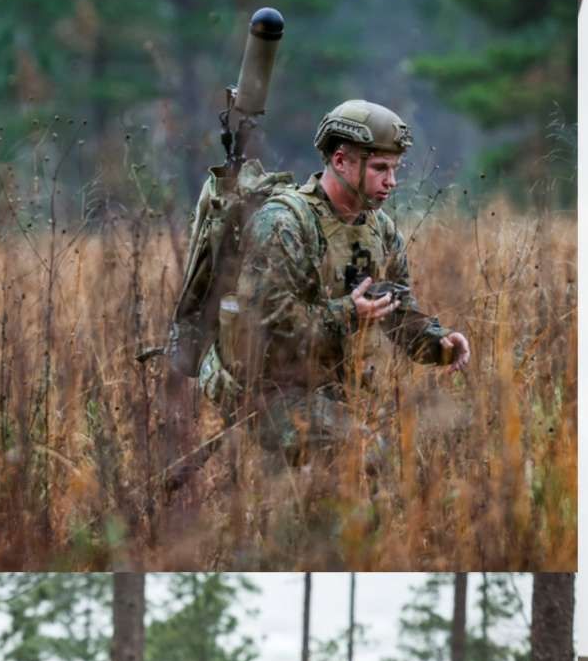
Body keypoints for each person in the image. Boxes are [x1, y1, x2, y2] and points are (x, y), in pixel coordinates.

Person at [198, 100, 471, 468]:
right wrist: (348, 313)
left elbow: (396, 307)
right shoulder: (283, 222)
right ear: (341, 161)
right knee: (369, 458)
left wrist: (437, 341)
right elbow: (270, 325)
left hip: (331, 390)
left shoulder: (379, 229)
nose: (392, 181)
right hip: (266, 390)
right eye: (379, 168)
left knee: (419, 457)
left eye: (394, 168)